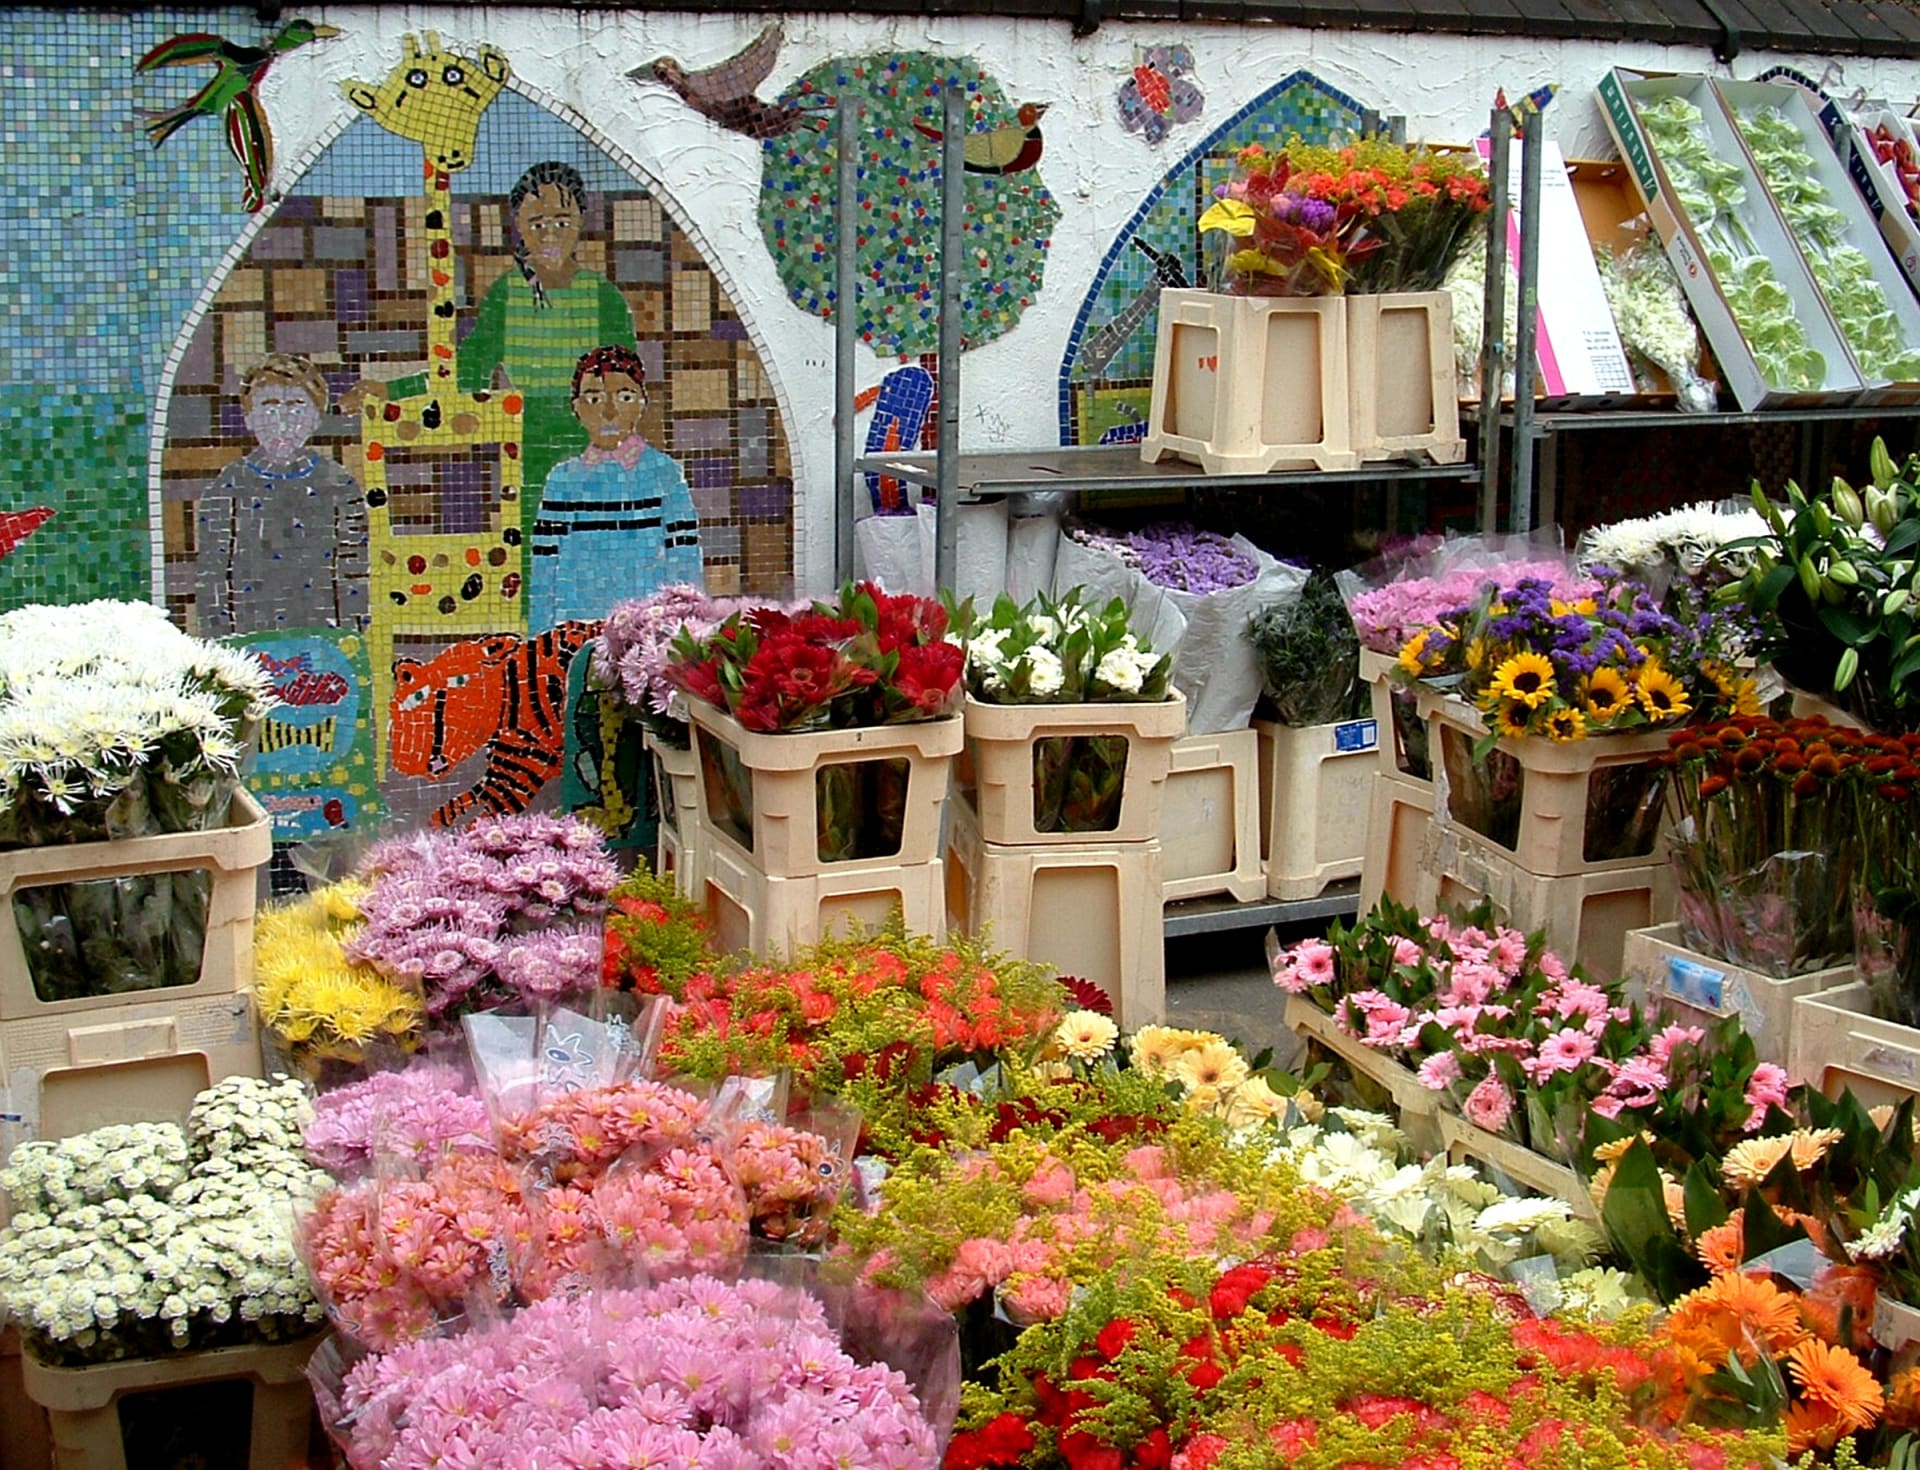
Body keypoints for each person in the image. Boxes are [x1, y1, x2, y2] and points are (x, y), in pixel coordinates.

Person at [347, 161, 638, 541]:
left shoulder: (604, 298)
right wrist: (393, 391)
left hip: (596, 435)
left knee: (603, 538)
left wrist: (619, 442)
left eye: (562, 220)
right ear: (518, 225)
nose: (549, 232)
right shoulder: (506, 294)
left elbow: (627, 383)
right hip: (529, 439)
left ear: (580, 220)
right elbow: (468, 371)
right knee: (536, 541)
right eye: (537, 222)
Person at [530, 346, 702, 630]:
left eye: (624, 396)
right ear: (577, 407)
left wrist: (684, 636)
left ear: (641, 403)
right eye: (594, 398)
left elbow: (685, 564)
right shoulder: (562, 482)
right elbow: (543, 572)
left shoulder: (665, 475)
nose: (609, 412)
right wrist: (540, 640)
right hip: (574, 631)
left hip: (648, 633)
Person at [195, 354, 368, 636]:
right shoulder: (228, 486)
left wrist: (352, 636)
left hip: (324, 641)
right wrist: (220, 642)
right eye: (269, 407)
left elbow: (355, 566)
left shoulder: (338, 484)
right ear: (249, 417)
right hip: (251, 641)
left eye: (296, 407)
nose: (283, 421)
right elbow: (212, 572)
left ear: (316, 418)